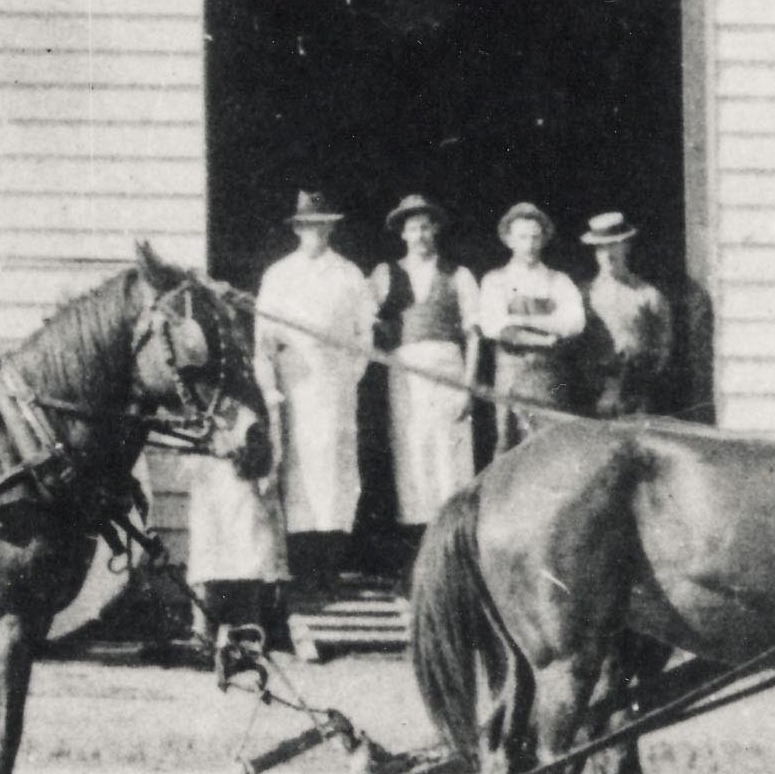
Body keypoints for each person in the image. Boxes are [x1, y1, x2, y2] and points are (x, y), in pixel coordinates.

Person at [251, 190, 369, 592]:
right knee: (297, 468)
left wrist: (346, 377)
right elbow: (263, 338)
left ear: (331, 228)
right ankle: (301, 566)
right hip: (295, 382)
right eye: (308, 226)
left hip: (336, 384)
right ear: (298, 229)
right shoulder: (279, 274)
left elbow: (363, 336)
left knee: (336, 472)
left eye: (322, 225)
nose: (315, 232)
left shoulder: (349, 274)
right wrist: (272, 384)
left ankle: (330, 565)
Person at [370, 194, 481, 537]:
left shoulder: (459, 275)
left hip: (449, 369)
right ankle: (416, 547)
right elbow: (362, 318)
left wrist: (469, 386)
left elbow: (475, 336)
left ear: (435, 230)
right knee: (413, 452)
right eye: (412, 229)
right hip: (406, 372)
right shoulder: (385, 274)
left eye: (425, 227)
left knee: (451, 457)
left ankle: (454, 540)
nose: (419, 235)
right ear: (402, 234)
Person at [481, 202, 588, 450]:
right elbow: (494, 326)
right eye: (522, 237)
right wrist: (544, 338)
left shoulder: (558, 281)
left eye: (535, 237)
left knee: (552, 444)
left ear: (543, 240)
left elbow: (574, 323)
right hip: (511, 377)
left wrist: (521, 320)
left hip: (550, 377)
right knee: (509, 444)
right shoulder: (496, 280)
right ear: (509, 240)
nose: (529, 245)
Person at [184, 456, 288, 665]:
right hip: (210, 484)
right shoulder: (199, 426)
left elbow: (265, 457)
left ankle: (247, 639)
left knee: (248, 554)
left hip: (244, 489)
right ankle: (205, 638)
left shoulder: (251, 424)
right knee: (209, 557)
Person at [579, 212, 677, 417]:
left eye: (614, 245)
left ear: (627, 246)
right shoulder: (584, 295)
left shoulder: (648, 295)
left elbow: (664, 344)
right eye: (601, 247)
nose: (608, 254)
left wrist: (642, 376)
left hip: (636, 391)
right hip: (595, 389)